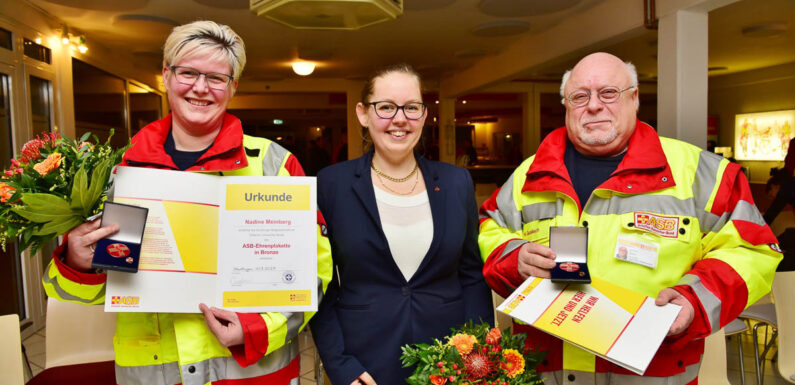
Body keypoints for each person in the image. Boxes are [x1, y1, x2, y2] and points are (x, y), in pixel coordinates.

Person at [41, 21, 333, 385]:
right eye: (188, 73)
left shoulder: (274, 165)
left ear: (233, 87)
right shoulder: (120, 170)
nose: (200, 87)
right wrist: (78, 263)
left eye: (216, 77)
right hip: (155, 375)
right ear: (166, 75)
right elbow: (97, 287)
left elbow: (314, 272)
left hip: (253, 375)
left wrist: (258, 328)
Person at [478, 52, 782, 384]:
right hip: (546, 372)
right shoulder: (528, 174)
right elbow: (491, 228)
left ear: (634, 98)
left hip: (652, 373)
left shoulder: (704, 175)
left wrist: (695, 299)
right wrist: (515, 258)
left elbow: (752, 251)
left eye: (608, 93)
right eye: (580, 96)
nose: (594, 105)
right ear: (566, 105)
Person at [310, 64, 494, 385]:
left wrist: (476, 358)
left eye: (411, 107)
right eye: (386, 107)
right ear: (363, 114)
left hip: (448, 361)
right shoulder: (331, 184)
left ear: (424, 115)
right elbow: (321, 286)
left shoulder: (456, 182)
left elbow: (471, 277)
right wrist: (340, 365)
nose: (400, 119)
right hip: (364, 362)